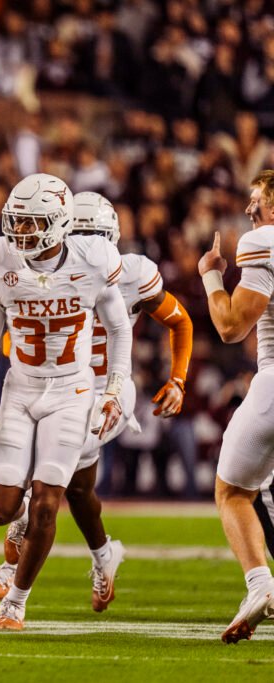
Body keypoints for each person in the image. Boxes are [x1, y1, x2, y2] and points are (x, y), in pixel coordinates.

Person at [0, 191, 194, 612]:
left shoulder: (129, 273)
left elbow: (179, 320)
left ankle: (13, 570)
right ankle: (103, 555)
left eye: (96, 236)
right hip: (49, 385)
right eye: (82, 233)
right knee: (77, 490)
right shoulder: (42, 269)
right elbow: (6, 339)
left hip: (107, 391)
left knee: (47, 483)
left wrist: (179, 379)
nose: (89, 243)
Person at [0, 173, 132, 630]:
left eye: (32, 223)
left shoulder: (94, 258)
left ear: (61, 224)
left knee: (47, 501)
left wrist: (114, 389)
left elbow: (119, 327)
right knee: (0, 509)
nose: (20, 234)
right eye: (15, 222)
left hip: (72, 392)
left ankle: (16, 600)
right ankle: (27, 531)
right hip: (19, 389)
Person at [198, 169, 274, 643]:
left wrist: (210, 277)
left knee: (233, 491)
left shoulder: (264, 241)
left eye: (258, 202)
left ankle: (258, 584)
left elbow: (231, 327)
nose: (249, 211)